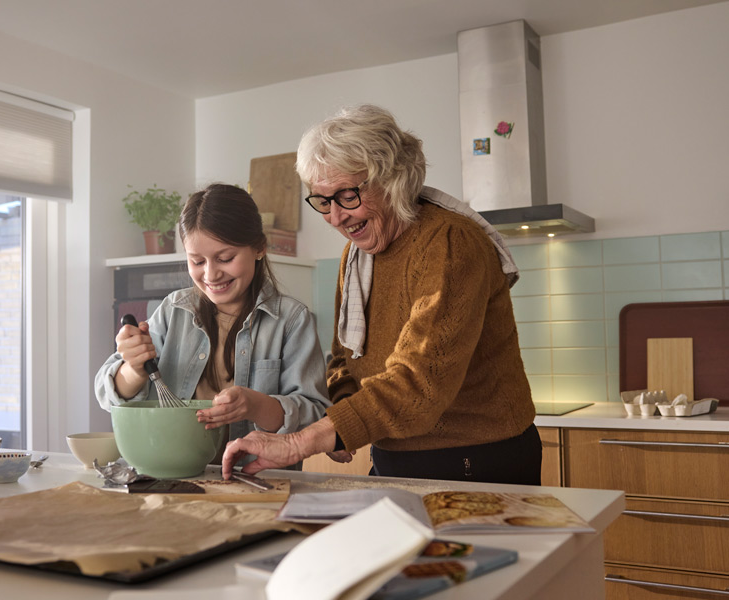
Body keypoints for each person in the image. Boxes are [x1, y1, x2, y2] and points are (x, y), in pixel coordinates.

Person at [222, 104, 541, 484]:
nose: (336, 217)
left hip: (473, 456)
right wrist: (342, 416)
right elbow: (345, 357)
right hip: (393, 452)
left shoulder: (449, 242)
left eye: (347, 195)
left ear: (393, 180)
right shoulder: (357, 255)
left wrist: (300, 442)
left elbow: (420, 382)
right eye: (323, 201)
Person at [94, 183, 330, 465]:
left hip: (258, 479)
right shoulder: (172, 311)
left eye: (225, 258)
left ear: (259, 247)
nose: (211, 274)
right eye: (197, 261)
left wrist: (256, 405)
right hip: (171, 473)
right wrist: (133, 369)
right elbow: (107, 396)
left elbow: (315, 418)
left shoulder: (291, 321)